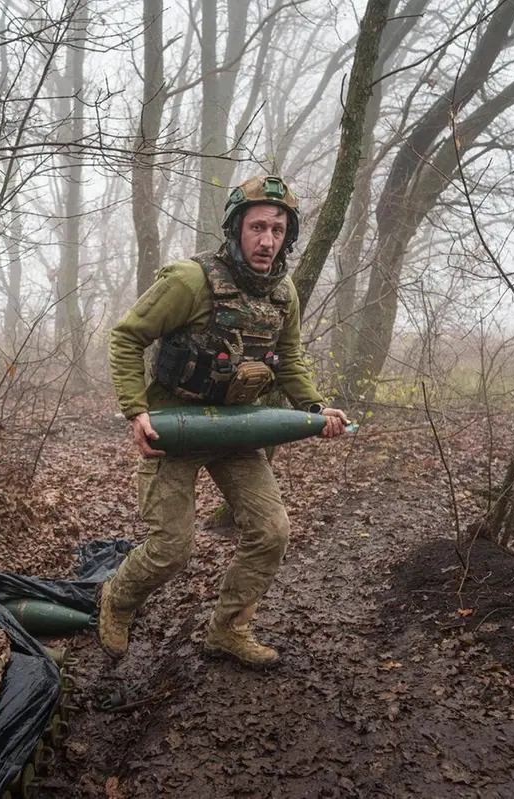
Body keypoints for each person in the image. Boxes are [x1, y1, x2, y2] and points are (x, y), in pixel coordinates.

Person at [98, 174, 348, 668]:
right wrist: (137, 411)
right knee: (171, 548)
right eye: (257, 228)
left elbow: (290, 356)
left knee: (272, 530)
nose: (267, 241)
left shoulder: (283, 294)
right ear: (236, 229)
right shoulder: (189, 281)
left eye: (278, 230)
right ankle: (117, 600)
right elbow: (126, 338)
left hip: (237, 429)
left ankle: (227, 630)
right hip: (175, 425)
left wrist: (315, 407)